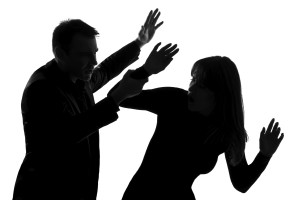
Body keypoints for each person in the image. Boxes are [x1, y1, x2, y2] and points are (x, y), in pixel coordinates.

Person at [12, 9, 165, 200]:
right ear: (60, 53)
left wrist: (139, 42)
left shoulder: (79, 78)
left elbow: (106, 70)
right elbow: (66, 135)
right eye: (85, 55)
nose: (94, 61)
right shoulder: (41, 89)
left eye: (95, 53)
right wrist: (118, 96)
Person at [111, 45, 284, 199]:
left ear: (220, 95)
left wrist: (265, 155)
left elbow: (241, 183)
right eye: (192, 79)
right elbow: (117, 96)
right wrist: (146, 70)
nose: (191, 88)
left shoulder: (227, 133)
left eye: (201, 85)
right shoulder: (174, 101)